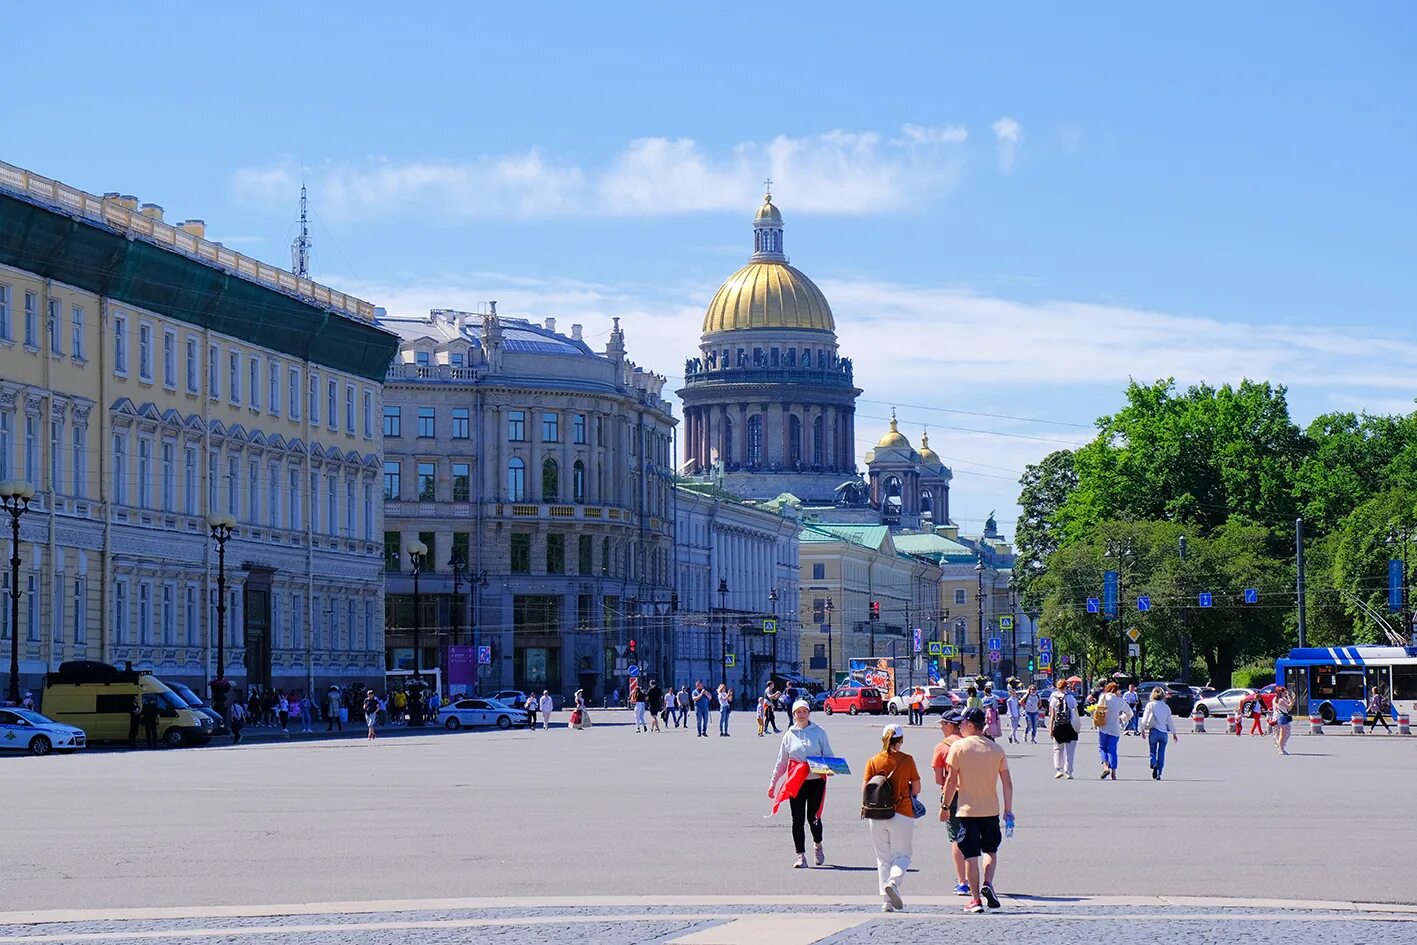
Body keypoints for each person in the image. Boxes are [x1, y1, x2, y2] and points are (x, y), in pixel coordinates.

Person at [942, 707, 1013, 914]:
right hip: (990, 810)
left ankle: (975, 900)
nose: (960, 727)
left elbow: (950, 780)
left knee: (970, 855)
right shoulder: (996, 749)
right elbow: (1007, 783)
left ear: (971, 725)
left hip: (966, 810)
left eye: (963, 724)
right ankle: (988, 883)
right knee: (990, 850)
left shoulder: (959, 747)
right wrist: (1008, 810)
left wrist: (945, 806)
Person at [768, 699, 834, 868]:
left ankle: (818, 845)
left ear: (809, 713)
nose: (802, 715)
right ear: (794, 714)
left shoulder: (819, 732)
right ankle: (800, 856)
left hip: (816, 782)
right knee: (797, 820)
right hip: (796, 783)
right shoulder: (789, 735)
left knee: (814, 818)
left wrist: (830, 768)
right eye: (798, 712)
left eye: (804, 711)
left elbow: (829, 756)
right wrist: (773, 783)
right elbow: (781, 762)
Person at [863, 724, 921, 912]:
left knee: (882, 858)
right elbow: (917, 788)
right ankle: (894, 883)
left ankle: (886, 902)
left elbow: (866, 789)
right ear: (901, 741)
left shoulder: (873, 761)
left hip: (876, 813)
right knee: (902, 855)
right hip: (902, 812)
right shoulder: (907, 760)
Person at [931, 712, 970, 896]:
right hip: (974, 794)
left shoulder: (942, 747)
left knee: (956, 837)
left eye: (942, 724)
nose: (940, 728)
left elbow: (939, 779)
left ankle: (962, 882)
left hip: (952, 795)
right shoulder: (971, 743)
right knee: (973, 837)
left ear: (949, 725)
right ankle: (978, 879)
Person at [1094, 681, 1132, 780]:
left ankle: (1106, 767)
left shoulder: (1103, 697)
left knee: (1102, 747)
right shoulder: (1120, 701)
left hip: (1103, 726)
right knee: (1112, 750)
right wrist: (1122, 718)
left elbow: (1098, 709)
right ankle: (1113, 773)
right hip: (1115, 728)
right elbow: (1130, 713)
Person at [1140, 686, 1179, 779]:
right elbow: (1170, 721)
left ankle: (1153, 763)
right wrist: (1174, 733)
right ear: (1163, 696)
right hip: (1163, 733)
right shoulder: (1166, 707)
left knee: (1152, 751)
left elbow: (1145, 718)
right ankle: (1159, 773)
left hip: (1153, 731)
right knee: (1161, 753)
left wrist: (1142, 729)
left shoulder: (1150, 705)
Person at [1049, 679, 1078, 779]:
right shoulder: (1071, 698)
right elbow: (1076, 712)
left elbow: (1052, 715)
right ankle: (1069, 772)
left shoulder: (1054, 698)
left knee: (1057, 749)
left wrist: (1051, 729)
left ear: (1057, 687)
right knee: (1070, 751)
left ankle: (1058, 770)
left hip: (1058, 726)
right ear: (1066, 687)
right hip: (1070, 726)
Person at [1272, 685, 1296, 755]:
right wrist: (1292, 700)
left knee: (1285, 733)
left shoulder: (1283, 699)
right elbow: (1288, 706)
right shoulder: (1280, 700)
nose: (1285, 692)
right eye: (1284, 691)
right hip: (1281, 717)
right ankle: (1281, 749)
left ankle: (1281, 747)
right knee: (1282, 734)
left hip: (1284, 716)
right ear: (1280, 692)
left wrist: (1292, 700)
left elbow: (1289, 708)